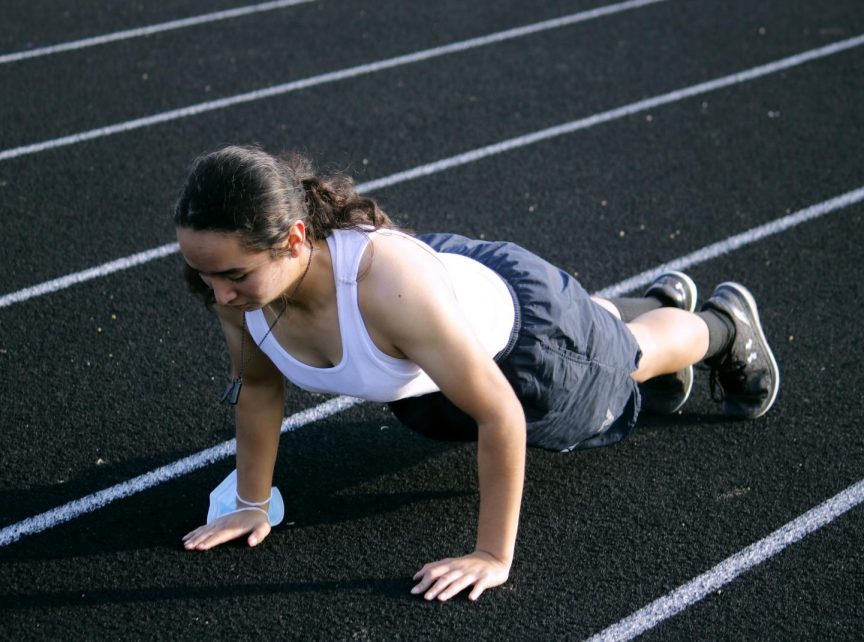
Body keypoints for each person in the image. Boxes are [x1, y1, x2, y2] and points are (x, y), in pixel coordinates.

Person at [175, 145, 779, 602]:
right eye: (206, 276)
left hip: (526, 341)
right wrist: (252, 501)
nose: (220, 295)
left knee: (631, 359)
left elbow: (500, 411)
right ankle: (624, 312)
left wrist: (491, 554)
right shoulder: (240, 295)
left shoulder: (383, 290)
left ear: (294, 239)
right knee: (598, 339)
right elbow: (257, 386)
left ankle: (722, 327)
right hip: (452, 305)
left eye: (234, 276)